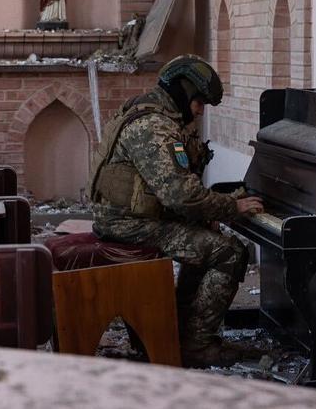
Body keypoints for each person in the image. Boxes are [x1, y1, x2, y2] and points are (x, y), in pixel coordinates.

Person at [88, 54, 265, 367]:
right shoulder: (153, 127)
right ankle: (196, 345)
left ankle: (181, 330)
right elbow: (182, 196)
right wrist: (232, 206)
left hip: (133, 217)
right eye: (199, 103)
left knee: (206, 241)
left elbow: (174, 193)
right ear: (183, 92)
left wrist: (210, 213)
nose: (199, 111)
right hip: (128, 224)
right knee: (230, 252)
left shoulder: (150, 111)